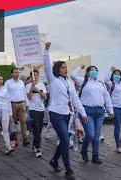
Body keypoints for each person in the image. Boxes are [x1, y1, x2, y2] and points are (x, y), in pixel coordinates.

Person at [43, 42, 87, 180]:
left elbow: (75, 99)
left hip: (68, 115)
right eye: (63, 67)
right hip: (56, 114)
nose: (66, 69)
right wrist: (46, 51)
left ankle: (54, 160)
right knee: (65, 140)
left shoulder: (69, 83)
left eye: (66, 67)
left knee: (64, 140)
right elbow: (46, 66)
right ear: (57, 70)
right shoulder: (53, 80)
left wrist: (83, 114)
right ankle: (68, 170)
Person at [71, 64, 114, 165]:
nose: (94, 72)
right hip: (87, 111)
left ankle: (95, 156)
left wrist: (111, 111)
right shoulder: (83, 81)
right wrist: (79, 67)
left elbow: (107, 97)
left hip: (100, 112)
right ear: (88, 73)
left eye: (96, 70)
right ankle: (84, 150)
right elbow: (72, 75)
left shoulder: (101, 84)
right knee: (90, 134)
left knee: (97, 136)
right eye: (92, 70)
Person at [5, 67, 30, 146]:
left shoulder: (21, 82)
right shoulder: (7, 83)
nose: (17, 74)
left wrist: (27, 103)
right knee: (13, 123)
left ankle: (25, 139)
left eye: (18, 72)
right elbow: (5, 95)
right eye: (15, 72)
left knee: (23, 122)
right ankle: (14, 140)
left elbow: (24, 93)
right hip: (12, 104)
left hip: (21, 104)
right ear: (11, 74)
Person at [26, 70, 47, 158]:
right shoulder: (27, 85)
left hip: (41, 109)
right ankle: (38, 148)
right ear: (31, 77)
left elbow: (45, 97)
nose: (35, 77)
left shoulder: (42, 85)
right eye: (33, 75)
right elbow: (29, 97)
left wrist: (38, 90)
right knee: (36, 128)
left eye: (37, 75)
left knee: (40, 129)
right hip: (32, 109)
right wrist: (32, 87)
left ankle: (35, 144)